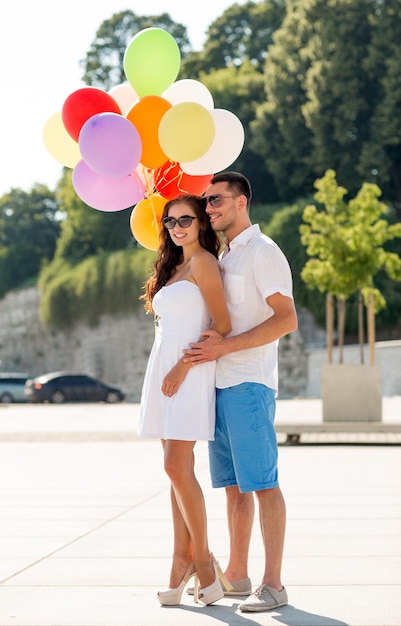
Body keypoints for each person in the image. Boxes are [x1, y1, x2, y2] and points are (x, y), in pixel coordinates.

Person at [183, 172, 298, 612]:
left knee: (263, 484)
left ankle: (274, 585)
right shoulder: (225, 255)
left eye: (216, 200)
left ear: (241, 202)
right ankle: (237, 573)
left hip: (249, 383)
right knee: (233, 488)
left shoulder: (263, 252)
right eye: (206, 201)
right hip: (219, 386)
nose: (209, 208)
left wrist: (225, 347)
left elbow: (286, 320)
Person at [138, 194, 232, 607]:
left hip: (188, 373)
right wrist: (166, 368)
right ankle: (181, 561)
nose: (177, 227)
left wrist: (181, 367)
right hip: (162, 368)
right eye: (171, 221)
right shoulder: (173, 265)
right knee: (176, 473)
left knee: (175, 465)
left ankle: (205, 564)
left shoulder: (204, 263)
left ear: (201, 223)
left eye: (186, 220)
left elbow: (222, 325)